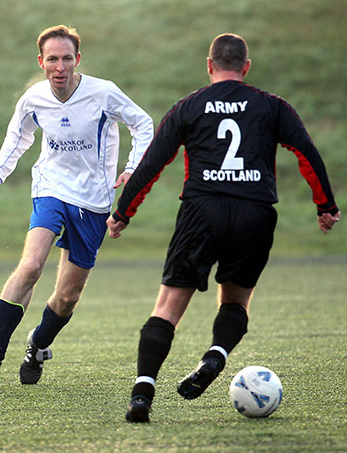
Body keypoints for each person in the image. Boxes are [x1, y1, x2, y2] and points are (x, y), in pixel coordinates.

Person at [106, 33, 340, 423]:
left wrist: (123, 212)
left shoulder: (190, 106)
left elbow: (153, 162)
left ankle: (142, 394)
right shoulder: (271, 105)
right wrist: (325, 205)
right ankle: (216, 356)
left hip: (202, 211)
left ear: (209, 65)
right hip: (254, 213)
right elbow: (306, 152)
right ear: (245, 67)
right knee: (234, 302)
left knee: (167, 308)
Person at [0, 25, 154, 387]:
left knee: (67, 297)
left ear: (77, 60)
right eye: (52, 59)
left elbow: (143, 124)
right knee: (31, 265)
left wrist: (133, 168)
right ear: (41, 62)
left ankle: (37, 344)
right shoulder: (34, 99)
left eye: (67, 58)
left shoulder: (103, 93)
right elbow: (17, 137)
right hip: (51, 189)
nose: (60, 66)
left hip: (94, 201)